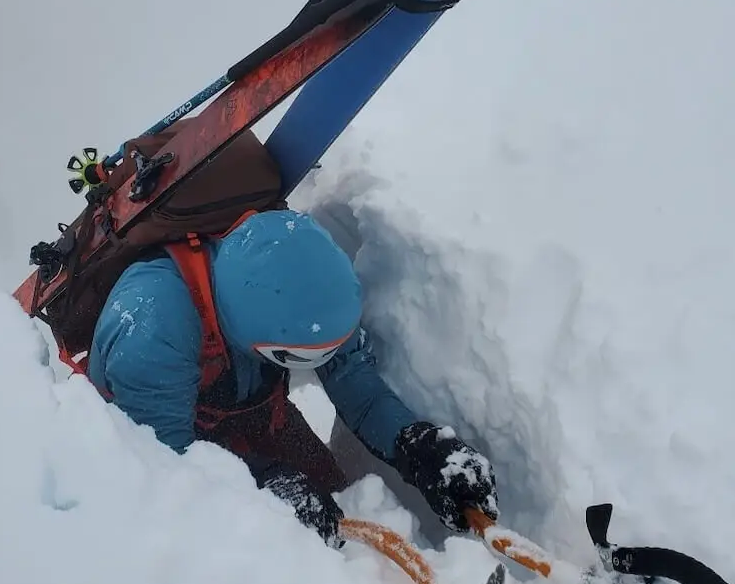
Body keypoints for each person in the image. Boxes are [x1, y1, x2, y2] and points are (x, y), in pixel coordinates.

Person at [86, 207, 499, 547]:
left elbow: (353, 377)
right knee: (280, 545)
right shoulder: (152, 328)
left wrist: (418, 446)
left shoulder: (310, 287)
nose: (319, 362)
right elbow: (167, 466)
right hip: (167, 442)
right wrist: (264, 483)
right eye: (300, 359)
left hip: (261, 417)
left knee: (340, 509)